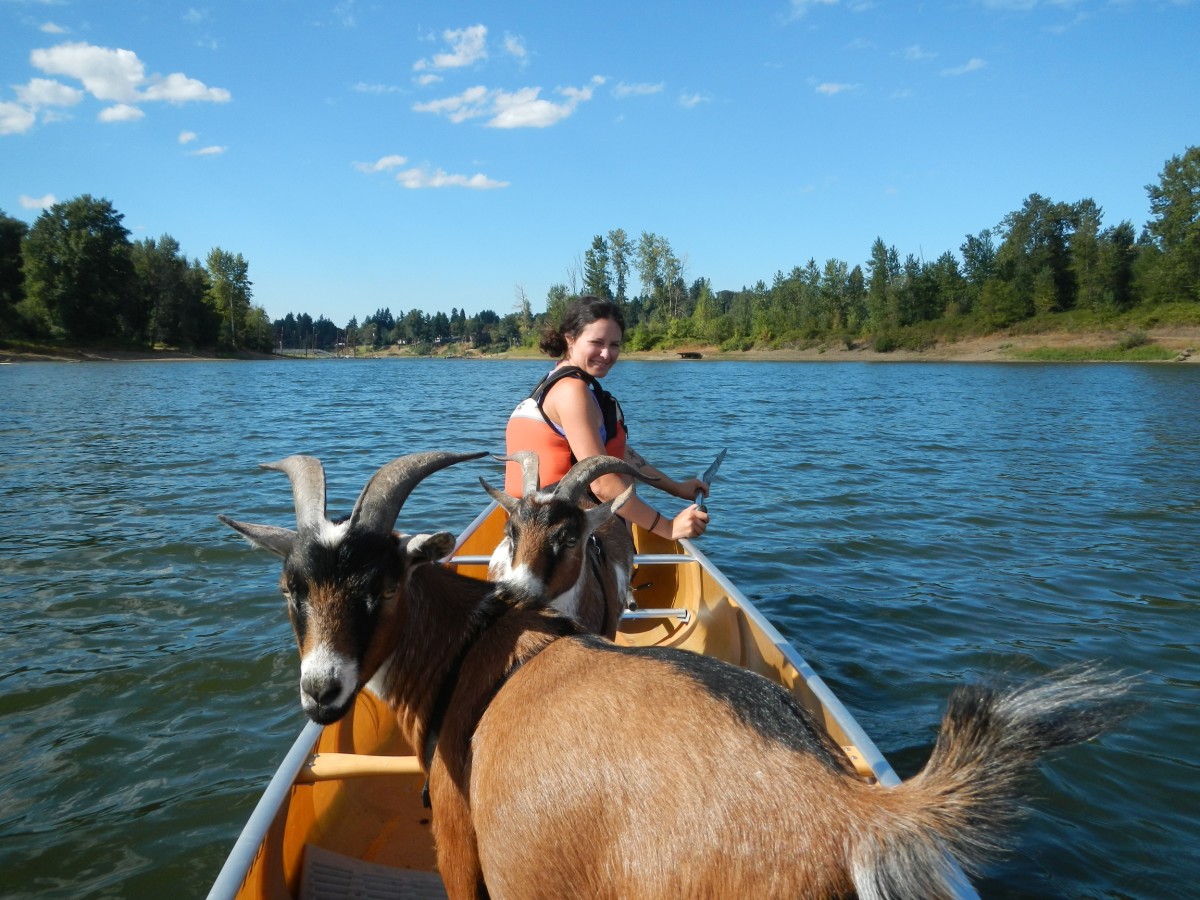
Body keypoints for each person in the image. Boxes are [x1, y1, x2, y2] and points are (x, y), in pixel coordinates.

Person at [504, 296, 710, 540]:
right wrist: (668, 527)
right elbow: (601, 483)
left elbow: (617, 454)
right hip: (561, 537)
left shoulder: (552, 382)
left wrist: (676, 488)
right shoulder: (572, 391)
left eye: (614, 344)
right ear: (570, 339)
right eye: (597, 342)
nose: (606, 353)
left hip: (528, 531)